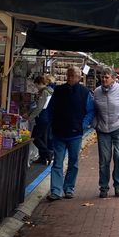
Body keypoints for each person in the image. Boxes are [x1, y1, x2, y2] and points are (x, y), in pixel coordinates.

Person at [46, 66, 94, 201]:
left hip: (75, 134)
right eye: (69, 75)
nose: (71, 78)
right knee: (57, 163)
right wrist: (51, 122)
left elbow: (90, 111)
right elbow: (50, 108)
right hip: (58, 132)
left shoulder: (85, 93)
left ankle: (69, 188)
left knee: (73, 162)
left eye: (74, 76)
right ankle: (56, 191)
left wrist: (83, 125)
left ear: (79, 77)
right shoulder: (58, 90)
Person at [92, 69, 119, 198]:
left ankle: (118, 184)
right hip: (103, 130)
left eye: (106, 77)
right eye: (102, 77)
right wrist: (95, 123)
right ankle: (103, 187)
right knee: (104, 159)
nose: (104, 79)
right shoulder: (97, 92)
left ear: (113, 78)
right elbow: (93, 110)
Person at [27, 75, 54, 165]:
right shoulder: (50, 91)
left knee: (35, 137)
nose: (36, 88)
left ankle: (47, 153)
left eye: (36, 85)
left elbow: (39, 107)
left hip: (42, 117)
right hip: (46, 117)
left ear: (39, 84)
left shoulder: (44, 92)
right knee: (42, 138)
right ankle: (43, 157)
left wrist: (30, 117)